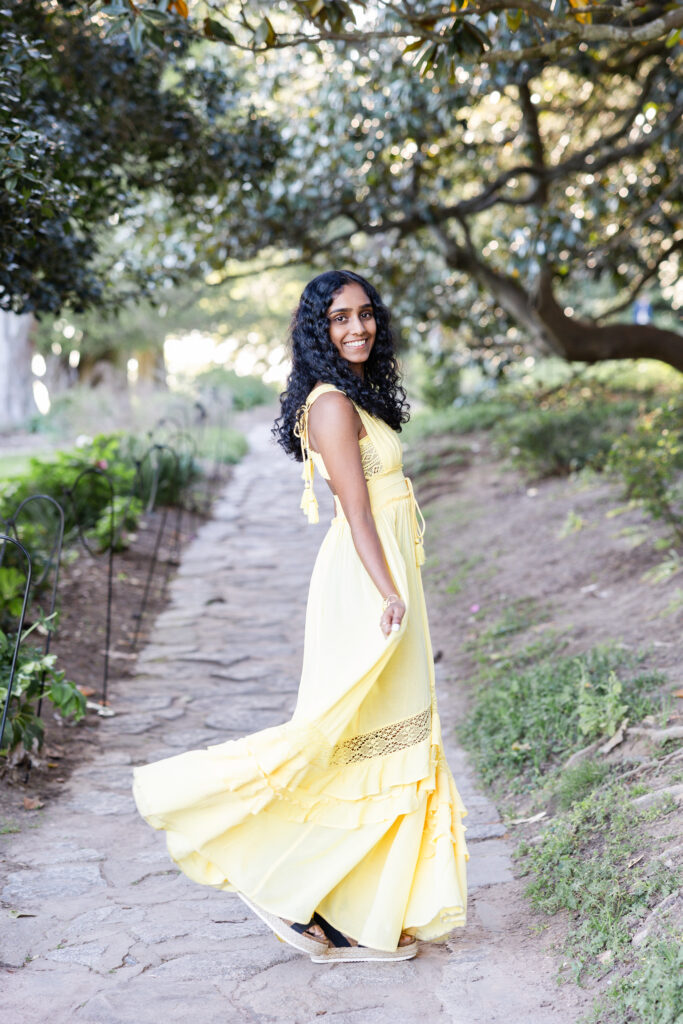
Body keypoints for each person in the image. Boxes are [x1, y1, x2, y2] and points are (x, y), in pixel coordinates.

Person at [132, 270, 468, 963]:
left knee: (384, 746)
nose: (356, 328)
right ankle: (277, 881)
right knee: (343, 740)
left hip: (387, 578)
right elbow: (355, 508)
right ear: (317, 329)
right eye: (339, 318)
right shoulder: (329, 405)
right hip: (368, 584)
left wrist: (398, 584)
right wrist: (388, 592)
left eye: (365, 314)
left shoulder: (356, 397)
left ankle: (351, 910)